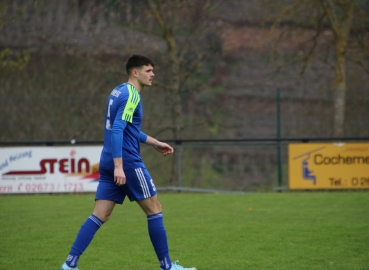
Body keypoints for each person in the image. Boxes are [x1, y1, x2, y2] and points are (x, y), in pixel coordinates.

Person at [60, 54, 196, 270]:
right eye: (148, 70)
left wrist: (154, 142)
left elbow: (129, 130)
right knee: (155, 209)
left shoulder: (118, 91)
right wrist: (119, 166)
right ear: (135, 72)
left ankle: (69, 265)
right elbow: (117, 130)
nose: (153, 75)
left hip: (107, 158)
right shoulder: (132, 95)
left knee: (100, 214)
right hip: (127, 162)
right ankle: (168, 267)